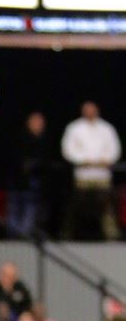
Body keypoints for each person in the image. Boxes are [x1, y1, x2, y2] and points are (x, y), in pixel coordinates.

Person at [61, 101, 122, 241]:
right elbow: (68, 149)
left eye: (92, 109)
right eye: (87, 110)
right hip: (82, 176)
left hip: (102, 175)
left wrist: (104, 160)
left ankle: (111, 235)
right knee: (77, 206)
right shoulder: (74, 128)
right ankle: (70, 235)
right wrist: (84, 160)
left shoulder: (107, 128)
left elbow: (114, 149)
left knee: (106, 207)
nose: (90, 112)